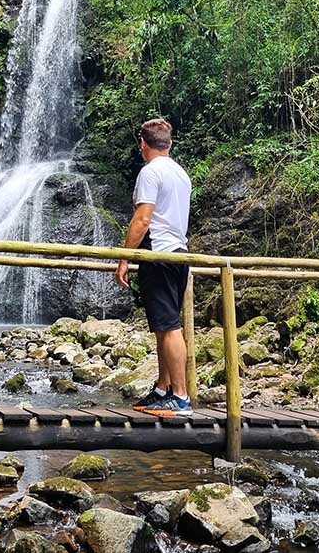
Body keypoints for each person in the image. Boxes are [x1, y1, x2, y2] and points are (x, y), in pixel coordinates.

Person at [115, 118, 193, 417]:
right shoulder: (180, 174)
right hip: (177, 254)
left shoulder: (150, 172)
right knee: (164, 326)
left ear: (143, 145)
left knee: (170, 327)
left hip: (158, 254)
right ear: (169, 144)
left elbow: (143, 219)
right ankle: (163, 390)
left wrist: (124, 257)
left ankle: (181, 398)